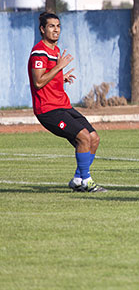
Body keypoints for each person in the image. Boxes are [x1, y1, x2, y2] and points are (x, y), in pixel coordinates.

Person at [28, 12, 106, 192]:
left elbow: (49, 77)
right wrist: (59, 67)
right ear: (42, 29)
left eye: (58, 26)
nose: (56, 30)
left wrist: (61, 77)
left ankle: (78, 179)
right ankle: (86, 181)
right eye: (51, 26)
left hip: (63, 105)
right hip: (48, 110)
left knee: (93, 138)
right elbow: (38, 82)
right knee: (83, 137)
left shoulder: (55, 50)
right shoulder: (39, 52)